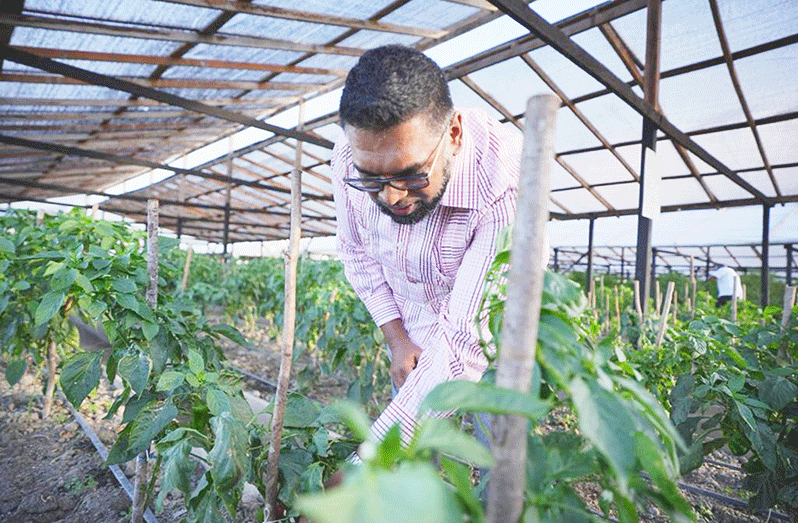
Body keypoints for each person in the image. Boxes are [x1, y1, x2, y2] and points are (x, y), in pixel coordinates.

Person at [331, 44, 540, 449]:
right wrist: (397, 339)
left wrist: (367, 465)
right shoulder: (350, 159)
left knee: (500, 465)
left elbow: (467, 340)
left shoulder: (507, 183)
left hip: (497, 339)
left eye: (409, 175)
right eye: (372, 179)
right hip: (412, 332)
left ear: (455, 134)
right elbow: (356, 252)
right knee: (410, 462)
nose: (390, 197)